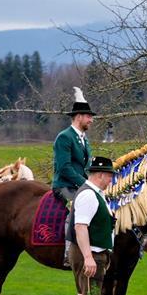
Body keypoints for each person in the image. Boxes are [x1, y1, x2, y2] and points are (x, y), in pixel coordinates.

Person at [70, 156, 117, 295]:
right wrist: (88, 257)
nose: (111, 180)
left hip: (93, 252)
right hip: (92, 253)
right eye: (109, 176)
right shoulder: (89, 195)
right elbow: (80, 227)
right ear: (100, 175)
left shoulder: (94, 193)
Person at [53, 87, 94, 267]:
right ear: (79, 117)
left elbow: (86, 164)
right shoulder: (64, 137)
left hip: (80, 184)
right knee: (75, 208)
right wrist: (85, 183)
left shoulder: (83, 139)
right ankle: (68, 253)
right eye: (88, 117)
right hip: (64, 185)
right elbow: (64, 167)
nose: (91, 120)